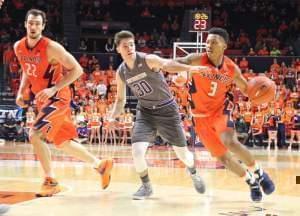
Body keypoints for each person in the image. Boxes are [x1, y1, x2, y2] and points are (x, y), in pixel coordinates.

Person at [14, 9, 113, 197]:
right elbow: (27, 70)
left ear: (43, 26)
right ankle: (100, 165)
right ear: (25, 24)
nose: (33, 26)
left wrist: (53, 89)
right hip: (43, 100)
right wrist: (21, 92)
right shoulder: (18, 47)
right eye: (30, 22)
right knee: (63, 142)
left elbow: (77, 70)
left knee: (35, 135)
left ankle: (50, 181)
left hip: (58, 97)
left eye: (37, 23)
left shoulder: (52, 47)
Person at [175, 27, 275, 202]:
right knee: (223, 157)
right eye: (207, 42)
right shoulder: (196, 59)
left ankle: (259, 173)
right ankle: (250, 181)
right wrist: (177, 71)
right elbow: (176, 63)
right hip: (199, 117)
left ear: (224, 46)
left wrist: (263, 91)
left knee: (230, 142)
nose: (209, 45)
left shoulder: (231, 68)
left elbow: (246, 89)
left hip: (221, 110)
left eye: (214, 42)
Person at [109, 30, 208, 200]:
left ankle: (193, 172)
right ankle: (146, 186)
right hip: (145, 112)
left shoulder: (148, 59)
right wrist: (112, 117)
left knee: (182, 154)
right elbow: (120, 100)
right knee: (137, 151)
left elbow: (168, 64)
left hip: (167, 110)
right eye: (125, 46)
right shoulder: (121, 72)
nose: (129, 48)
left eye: (131, 44)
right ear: (118, 49)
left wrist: (191, 68)